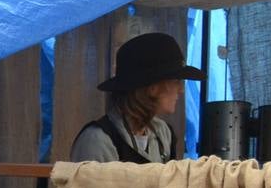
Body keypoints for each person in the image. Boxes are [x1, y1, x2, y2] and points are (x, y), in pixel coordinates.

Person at [69, 32, 201, 163]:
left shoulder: (163, 134)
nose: (181, 90)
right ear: (152, 87)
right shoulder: (98, 140)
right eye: (176, 80)